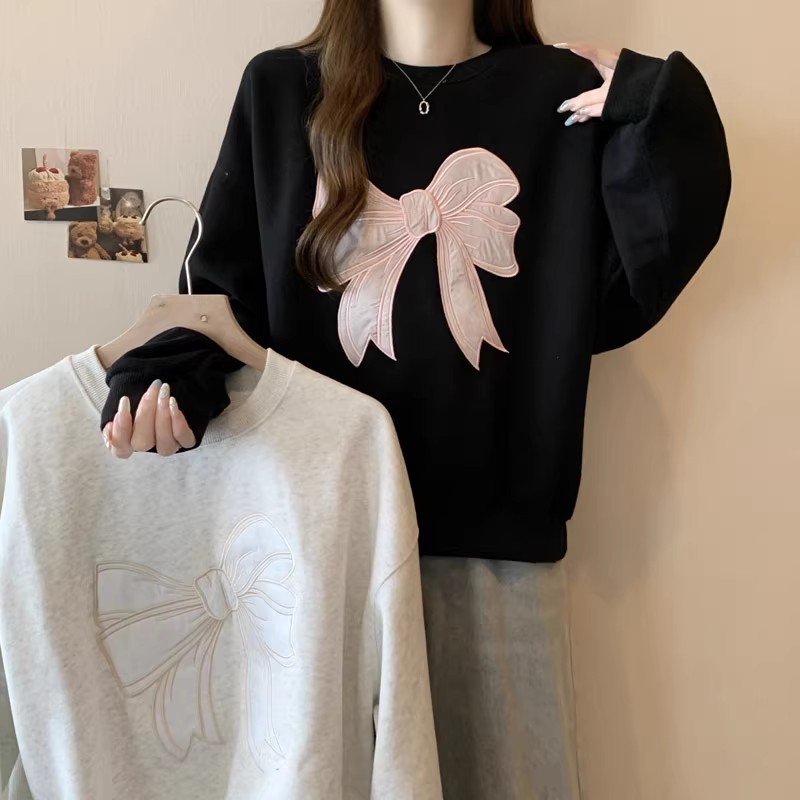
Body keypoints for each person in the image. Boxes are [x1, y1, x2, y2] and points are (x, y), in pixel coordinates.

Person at [101, 0, 732, 797]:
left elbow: (622, 290)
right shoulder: (281, 90)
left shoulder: (558, 94)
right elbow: (222, 299)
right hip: (316, 555)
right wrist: (164, 382)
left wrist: (655, 106)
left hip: (495, 564)